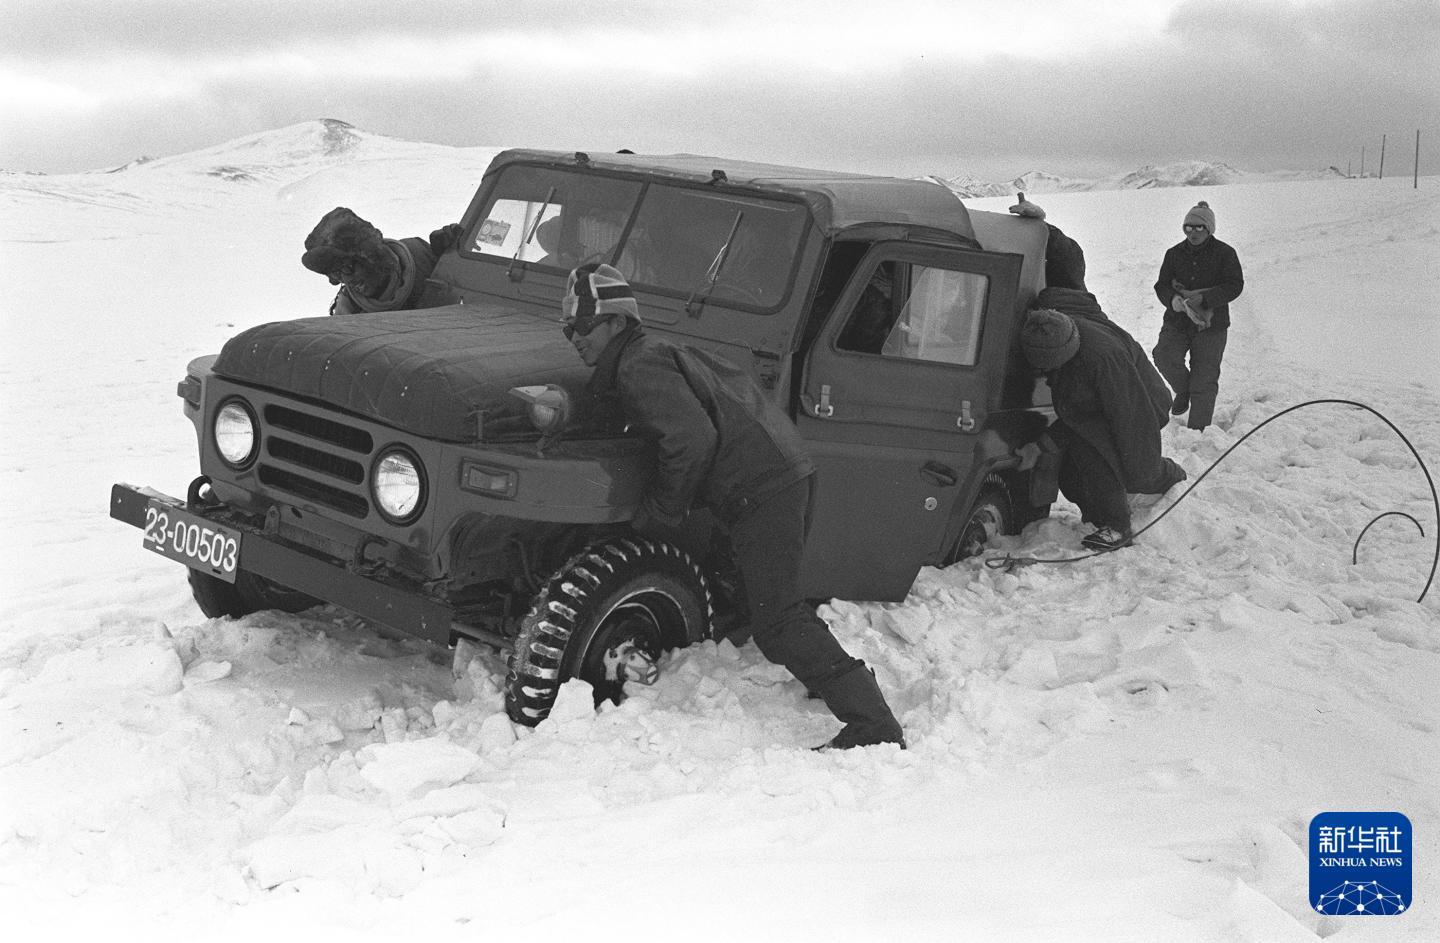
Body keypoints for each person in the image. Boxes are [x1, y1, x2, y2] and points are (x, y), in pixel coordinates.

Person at [562, 262, 905, 750]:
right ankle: (833, 677)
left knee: (778, 620)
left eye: (583, 326)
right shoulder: (650, 353)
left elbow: (692, 441)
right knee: (763, 599)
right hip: (777, 474)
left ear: (617, 321)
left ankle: (873, 723)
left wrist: (659, 514)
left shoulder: (640, 365)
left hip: (763, 487)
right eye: (568, 327)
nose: (574, 338)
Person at [1019, 305, 1187, 552]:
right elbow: (1076, 413)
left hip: (1141, 404)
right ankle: (1102, 515)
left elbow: (1131, 420)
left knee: (1119, 462)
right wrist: (1040, 446)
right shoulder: (1056, 334)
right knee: (1079, 457)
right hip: (1105, 405)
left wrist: (1142, 466)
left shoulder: (1104, 360)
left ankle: (1123, 524)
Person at [1151, 201, 1244, 431]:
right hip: (1177, 321)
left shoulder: (1225, 253)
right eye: (1188, 227)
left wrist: (1205, 299)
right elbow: (1161, 285)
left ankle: (1198, 433)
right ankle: (1183, 390)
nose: (1193, 232)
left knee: (1205, 379)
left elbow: (1235, 285)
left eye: (1199, 227)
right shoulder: (1173, 254)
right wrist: (1173, 300)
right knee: (1164, 356)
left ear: (1209, 229)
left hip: (1212, 324)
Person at [301, 207, 463, 316]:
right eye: (337, 273)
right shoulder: (349, 314)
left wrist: (451, 252)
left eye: (349, 267)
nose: (347, 280)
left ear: (369, 256)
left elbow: (469, 285)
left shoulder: (420, 254)